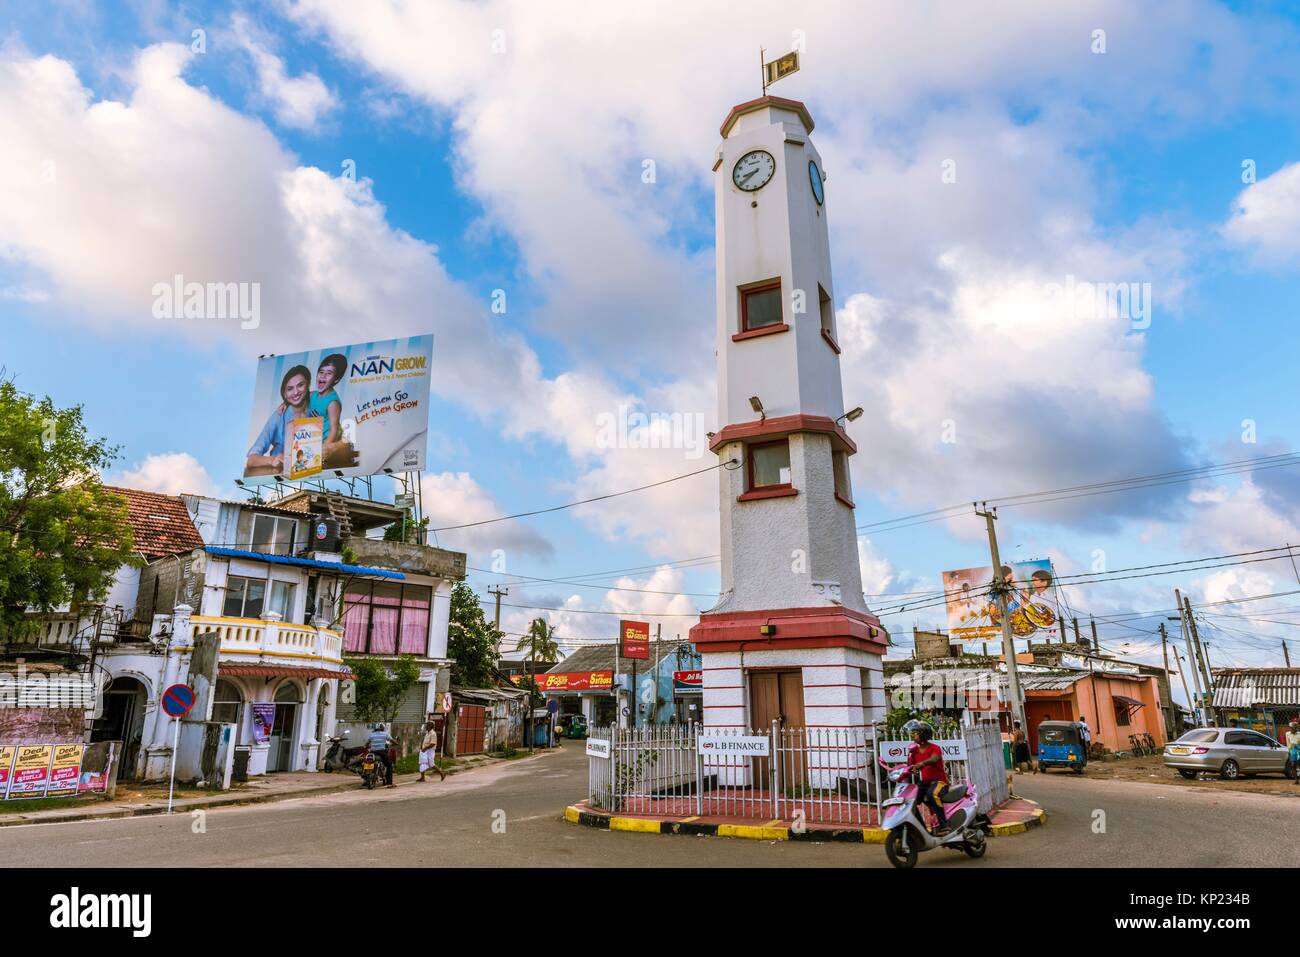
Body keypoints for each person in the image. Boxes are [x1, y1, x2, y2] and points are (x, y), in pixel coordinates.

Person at [245, 365, 313, 474]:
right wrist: (273, 460)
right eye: (290, 389)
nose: (296, 392)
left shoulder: (318, 405)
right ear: (285, 394)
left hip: (313, 471)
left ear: (308, 385)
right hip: (281, 474)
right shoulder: (279, 416)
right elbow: (251, 460)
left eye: (300, 385)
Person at [907, 725, 951, 835]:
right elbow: (910, 766)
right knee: (910, 801)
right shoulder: (915, 751)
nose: (914, 735)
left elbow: (934, 759)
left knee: (932, 795)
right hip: (925, 783)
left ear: (923, 735)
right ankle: (919, 827)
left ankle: (945, 826)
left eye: (916, 733)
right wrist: (910, 756)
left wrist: (922, 763)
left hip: (939, 782)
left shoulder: (935, 748)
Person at [367, 722, 396, 788]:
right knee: (389, 765)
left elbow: (367, 743)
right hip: (381, 752)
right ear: (382, 728)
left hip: (372, 752)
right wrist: (396, 743)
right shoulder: (385, 734)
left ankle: (366, 780)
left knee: (366, 762)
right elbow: (392, 741)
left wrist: (365, 746)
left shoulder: (371, 734)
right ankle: (389, 783)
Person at [1286, 720, 1300, 785]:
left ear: (1296, 728)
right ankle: (1296, 780)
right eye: (1290, 727)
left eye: (1293, 727)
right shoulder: (1287, 734)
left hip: (1299, 749)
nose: (1291, 728)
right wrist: (1288, 752)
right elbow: (1288, 744)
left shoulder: (1299, 734)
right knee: (1293, 765)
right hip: (1292, 750)